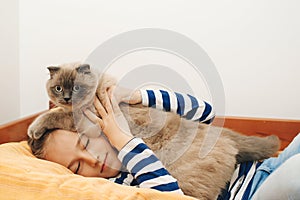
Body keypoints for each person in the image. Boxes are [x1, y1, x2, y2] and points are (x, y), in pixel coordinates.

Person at [28, 87, 215, 194]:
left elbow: (206, 113)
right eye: (77, 167)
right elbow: (171, 197)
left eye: (86, 144)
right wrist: (123, 141)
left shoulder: (143, 134)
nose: (92, 159)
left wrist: (140, 96)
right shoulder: (116, 186)